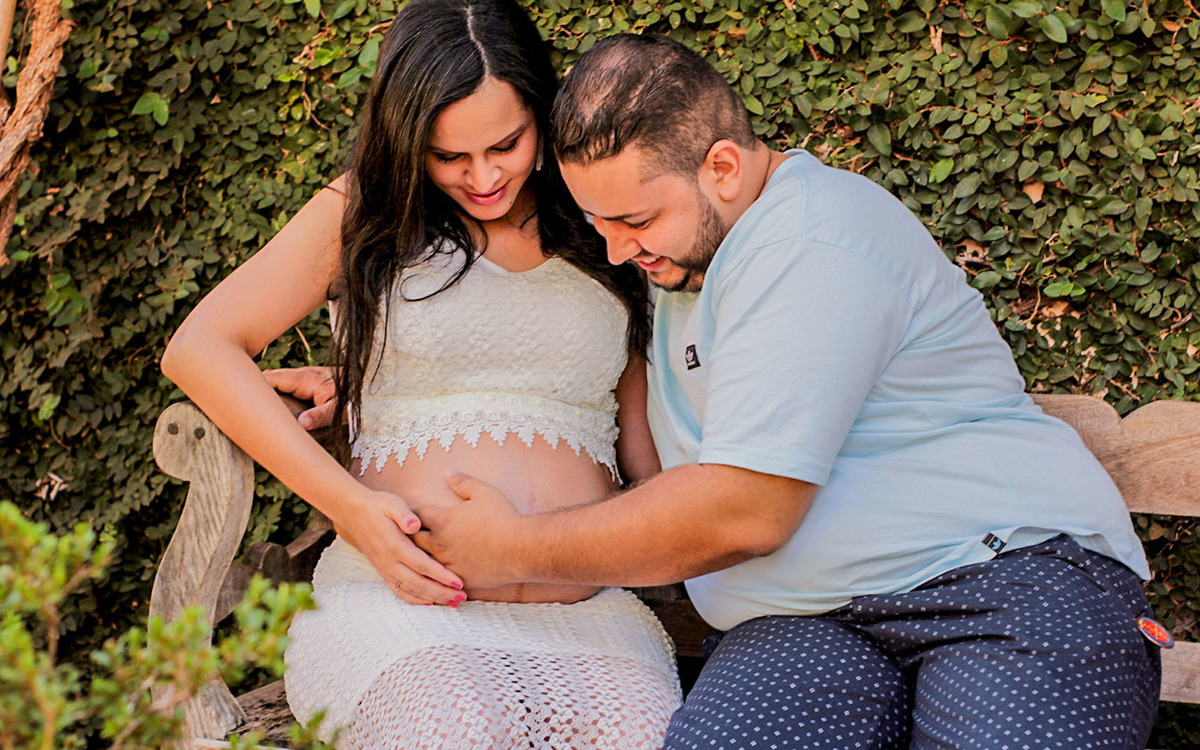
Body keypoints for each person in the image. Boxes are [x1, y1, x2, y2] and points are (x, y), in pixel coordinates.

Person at [407, 34, 1163, 749]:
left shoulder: (810, 238)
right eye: (597, 221)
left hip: (1000, 581)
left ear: (724, 168)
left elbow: (746, 510)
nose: (616, 249)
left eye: (634, 219)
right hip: (806, 624)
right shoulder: (679, 261)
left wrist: (513, 548)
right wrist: (369, 382)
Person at [160, 3, 682, 746]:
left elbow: (645, 452)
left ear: (541, 108)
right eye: (449, 157)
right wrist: (352, 510)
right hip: (404, 609)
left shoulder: (600, 221)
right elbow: (201, 347)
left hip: (589, 617)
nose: (483, 176)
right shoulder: (365, 213)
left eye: (506, 144)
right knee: (453, 727)